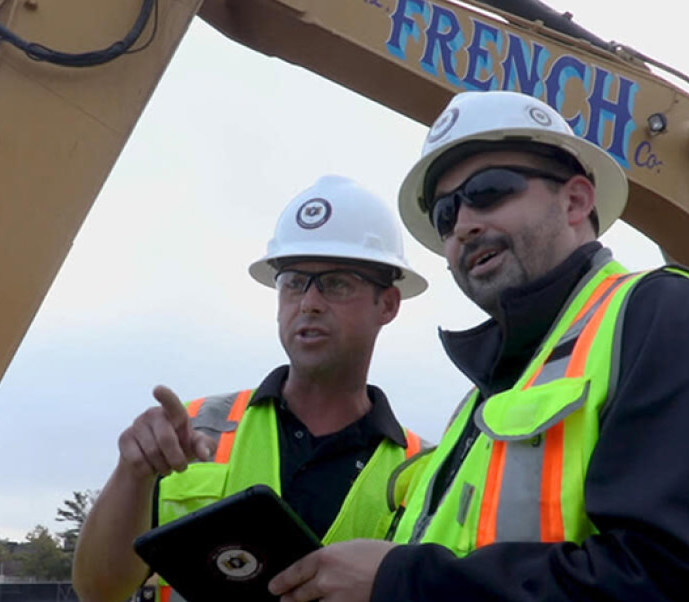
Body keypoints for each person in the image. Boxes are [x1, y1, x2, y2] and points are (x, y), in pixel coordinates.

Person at [268, 90, 689, 602]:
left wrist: (402, 580)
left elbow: (663, 573)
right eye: (446, 213)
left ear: (576, 201)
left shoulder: (661, 313)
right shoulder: (481, 405)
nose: (464, 224)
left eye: (489, 190)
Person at [72, 175, 431, 602]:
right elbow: (98, 591)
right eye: (294, 281)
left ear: (387, 304)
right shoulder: (192, 429)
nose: (309, 302)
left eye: (336, 283)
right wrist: (131, 475)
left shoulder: (424, 471)